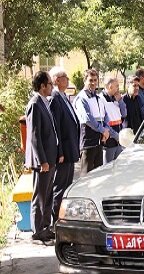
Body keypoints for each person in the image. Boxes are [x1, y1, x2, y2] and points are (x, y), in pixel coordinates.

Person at [25, 71, 58, 242]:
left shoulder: (44, 102)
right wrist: (42, 160)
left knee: (48, 194)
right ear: (43, 86)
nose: (52, 86)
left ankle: (45, 227)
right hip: (43, 161)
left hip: (51, 158)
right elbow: (34, 136)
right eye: (50, 84)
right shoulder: (35, 104)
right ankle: (37, 231)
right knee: (40, 195)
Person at [48, 67, 80, 229]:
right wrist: (59, 151)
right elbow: (56, 128)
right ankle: (55, 222)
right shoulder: (54, 98)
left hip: (71, 149)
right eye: (64, 77)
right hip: (63, 152)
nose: (67, 79)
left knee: (67, 186)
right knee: (59, 188)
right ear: (56, 79)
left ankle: (62, 219)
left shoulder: (64, 96)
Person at [74, 69, 109, 176]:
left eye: (95, 80)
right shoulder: (81, 98)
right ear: (85, 81)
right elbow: (87, 119)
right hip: (88, 144)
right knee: (86, 177)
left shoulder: (98, 98)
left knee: (98, 176)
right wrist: (103, 130)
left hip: (99, 142)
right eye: (90, 80)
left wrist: (105, 131)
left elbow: (105, 116)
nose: (93, 83)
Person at [101, 77, 127, 164]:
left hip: (119, 138)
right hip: (110, 139)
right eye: (117, 86)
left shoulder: (116, 98)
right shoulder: (101, 99)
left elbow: (124, 114)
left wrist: (120, 100)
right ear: (110, 86)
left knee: (118, 166)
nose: (118, 88)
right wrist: (115, 136)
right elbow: (104, 122)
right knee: (107, 167)